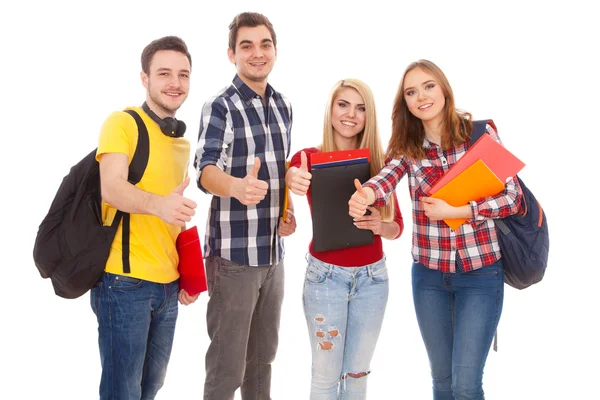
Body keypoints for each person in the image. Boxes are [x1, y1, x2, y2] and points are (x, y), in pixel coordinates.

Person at [348, 60, 523, 400]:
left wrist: (460, 210)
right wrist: (365, 194)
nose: (421, 97)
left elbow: (513, 197)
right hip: (429, 278)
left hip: (481, 274)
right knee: (442, 384)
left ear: (443, 88)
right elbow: (386, 179)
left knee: (466, 384)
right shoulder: (406, 146)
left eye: (428, 86)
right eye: (411, 92)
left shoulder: (479, 134)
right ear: (406, 103)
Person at [193, 12, 295, 400]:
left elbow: (279, 170)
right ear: (232, 54)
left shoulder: (283, 105)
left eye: (264, 44)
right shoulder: (221, 106)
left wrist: (287, 210)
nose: (257, 53)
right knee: (226, 368)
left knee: (262, 362)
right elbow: (205, 171)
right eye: (247, 46)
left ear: (275, 50)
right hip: (234, 258)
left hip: (273, 256)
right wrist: (236, 186)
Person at [92, 36, 199, 399]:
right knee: (123, 393)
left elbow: (174, 213)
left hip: (168, 287)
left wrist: (186, 275)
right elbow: (112, 188)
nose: (175, 83)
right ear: (145, 78)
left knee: (150, 388)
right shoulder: (122, 123)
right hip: (124, 284)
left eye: (183, 75)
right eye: (164, 73)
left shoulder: (181, 143)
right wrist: (159, 205)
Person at [286, 78, 404, 399]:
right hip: (325, 280)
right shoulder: (309, 157)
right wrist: (290, 176)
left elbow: (398, 228)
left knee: (357, 376)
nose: (351, 114)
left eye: (361, 108)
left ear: (369, 116)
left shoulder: (379, 164)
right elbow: (290, 173)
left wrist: (380, 225)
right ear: (331, 110)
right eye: (343, 104)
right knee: (325, 376)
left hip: (372, 280)